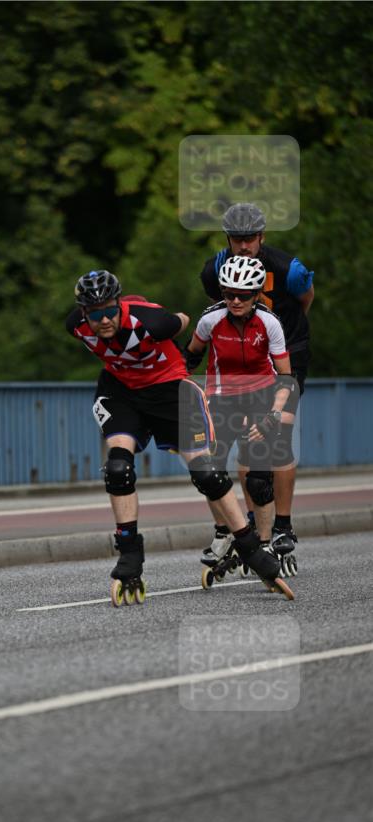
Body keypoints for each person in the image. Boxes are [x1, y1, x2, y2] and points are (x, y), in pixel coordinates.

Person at [65, 269, 292, 604]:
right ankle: (129, 557)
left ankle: (250, 548)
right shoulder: (75, 325)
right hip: (122, 392)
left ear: (119, 305)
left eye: (110, 311)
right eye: (95, 315)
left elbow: (182, 320)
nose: (104, 321)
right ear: (84, 313)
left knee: (206, 474)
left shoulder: (150, 323)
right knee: (118, 469)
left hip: (169, 389)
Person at [200, 203, 314, 562]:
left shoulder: (288, 269)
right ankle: (252, 523)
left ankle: (283, 524)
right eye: (237, 239)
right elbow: (221, 310)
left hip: (286, 350)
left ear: (262, 237)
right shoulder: (215, 269)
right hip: (244, 354)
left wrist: (284, 331)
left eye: (250, 239)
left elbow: (306, 298)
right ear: (228, 239)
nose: (244, 246)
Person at [184, 256, 296, 576]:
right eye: (229, 293)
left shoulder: (270, 323)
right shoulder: (210, 320)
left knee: (259, 480)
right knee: (209, 471)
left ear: (257, 294)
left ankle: (262, 544)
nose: (234, 300)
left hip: (262, 398)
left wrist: (273, 415)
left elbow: (286, 376)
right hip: (221, 398)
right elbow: (189, 356)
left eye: (243, 295)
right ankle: (223, 532)